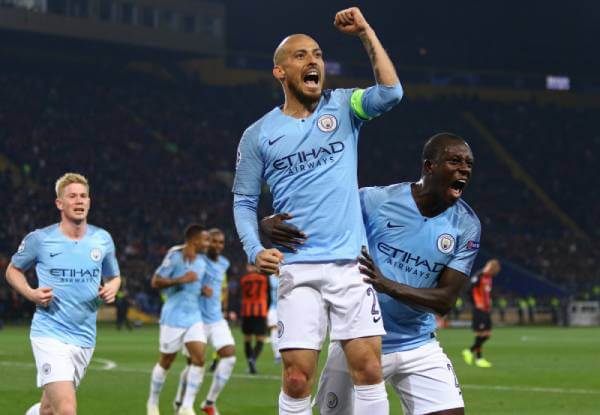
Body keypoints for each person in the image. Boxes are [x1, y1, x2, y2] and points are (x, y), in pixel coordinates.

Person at [233, 7, 403, 414]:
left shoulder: (344, 106)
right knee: (296, 378)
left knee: (369, 369)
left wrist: (365, 32)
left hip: (352, 265)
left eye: (318, 54)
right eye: (301, 55)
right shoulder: (258, 135)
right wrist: (255, 249)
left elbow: (392, 93)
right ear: (280, 72)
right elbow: (243, 201)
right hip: (297, 267)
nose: (313, 61)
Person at [262, 133, 481, 415]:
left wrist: (386, 285)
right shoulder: (377, 201)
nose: (464, 169)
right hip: (357, 339)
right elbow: (321, 215)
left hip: (417, 343)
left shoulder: (466, 225)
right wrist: (269, 222)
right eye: (455, 161)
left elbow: (445, 301)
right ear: (429, 166)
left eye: (469, 164)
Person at [5, 172, 121, 415]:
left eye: (83, 196)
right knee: (66, 409)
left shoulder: (102, 239)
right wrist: (31, 293)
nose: (79, 201)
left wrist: (112, 287)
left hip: (85, 337)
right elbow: (13, 270)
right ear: (59, 203)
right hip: (50, 332)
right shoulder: (40, 239)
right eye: (72, 196)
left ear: (89, 202)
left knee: (48, 409)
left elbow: (114, 277)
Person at [146, 225, 210, 415]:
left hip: (194, 316)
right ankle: (152, 402)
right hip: (173, 317)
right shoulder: (174, 257)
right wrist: (180, 279)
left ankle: (186, 407)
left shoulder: (202, 261)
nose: (207, 244)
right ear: (194, 240)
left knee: (199, 359)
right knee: (167, 360)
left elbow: (194, 286)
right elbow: (155, 282)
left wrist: (203, 291)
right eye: (205, 240)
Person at [173, 229, 236, 415]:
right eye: (213, 241)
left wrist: (224, 305)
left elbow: (221, 287)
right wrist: (200, 290)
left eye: (220, 242)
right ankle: (181, 403)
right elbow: (182, 283)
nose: (217, 245)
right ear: (206, 243)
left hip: (216, 319)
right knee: (194, 364)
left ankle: (209, 402)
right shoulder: (197, 260)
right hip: (196, 320)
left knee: (229, 357)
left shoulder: (224, 263)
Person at [462, 259, 501, 369]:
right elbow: (467, 290)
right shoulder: (479, 276)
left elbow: (486, 293)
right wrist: (475, 304)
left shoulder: (488, 278)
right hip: (479, 310)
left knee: (487, 334)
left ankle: (470, 352)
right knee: (480, 334)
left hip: (486, 310)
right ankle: (478, 358)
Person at [239, 264, 270, 374]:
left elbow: (240, 295)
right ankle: (253, 359)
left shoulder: (243, 279)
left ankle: (250, 361)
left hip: (247, 311)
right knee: (260, 339)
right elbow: (269, 295)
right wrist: (266, 308)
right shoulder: (264, 278)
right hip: (260, 311)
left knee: (247, 339)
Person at [267, 273, 281, 363]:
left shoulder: (287, 274)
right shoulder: (270, 277)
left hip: (286, 307)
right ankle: (277, 355)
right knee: (274, 330)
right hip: (273, 308)